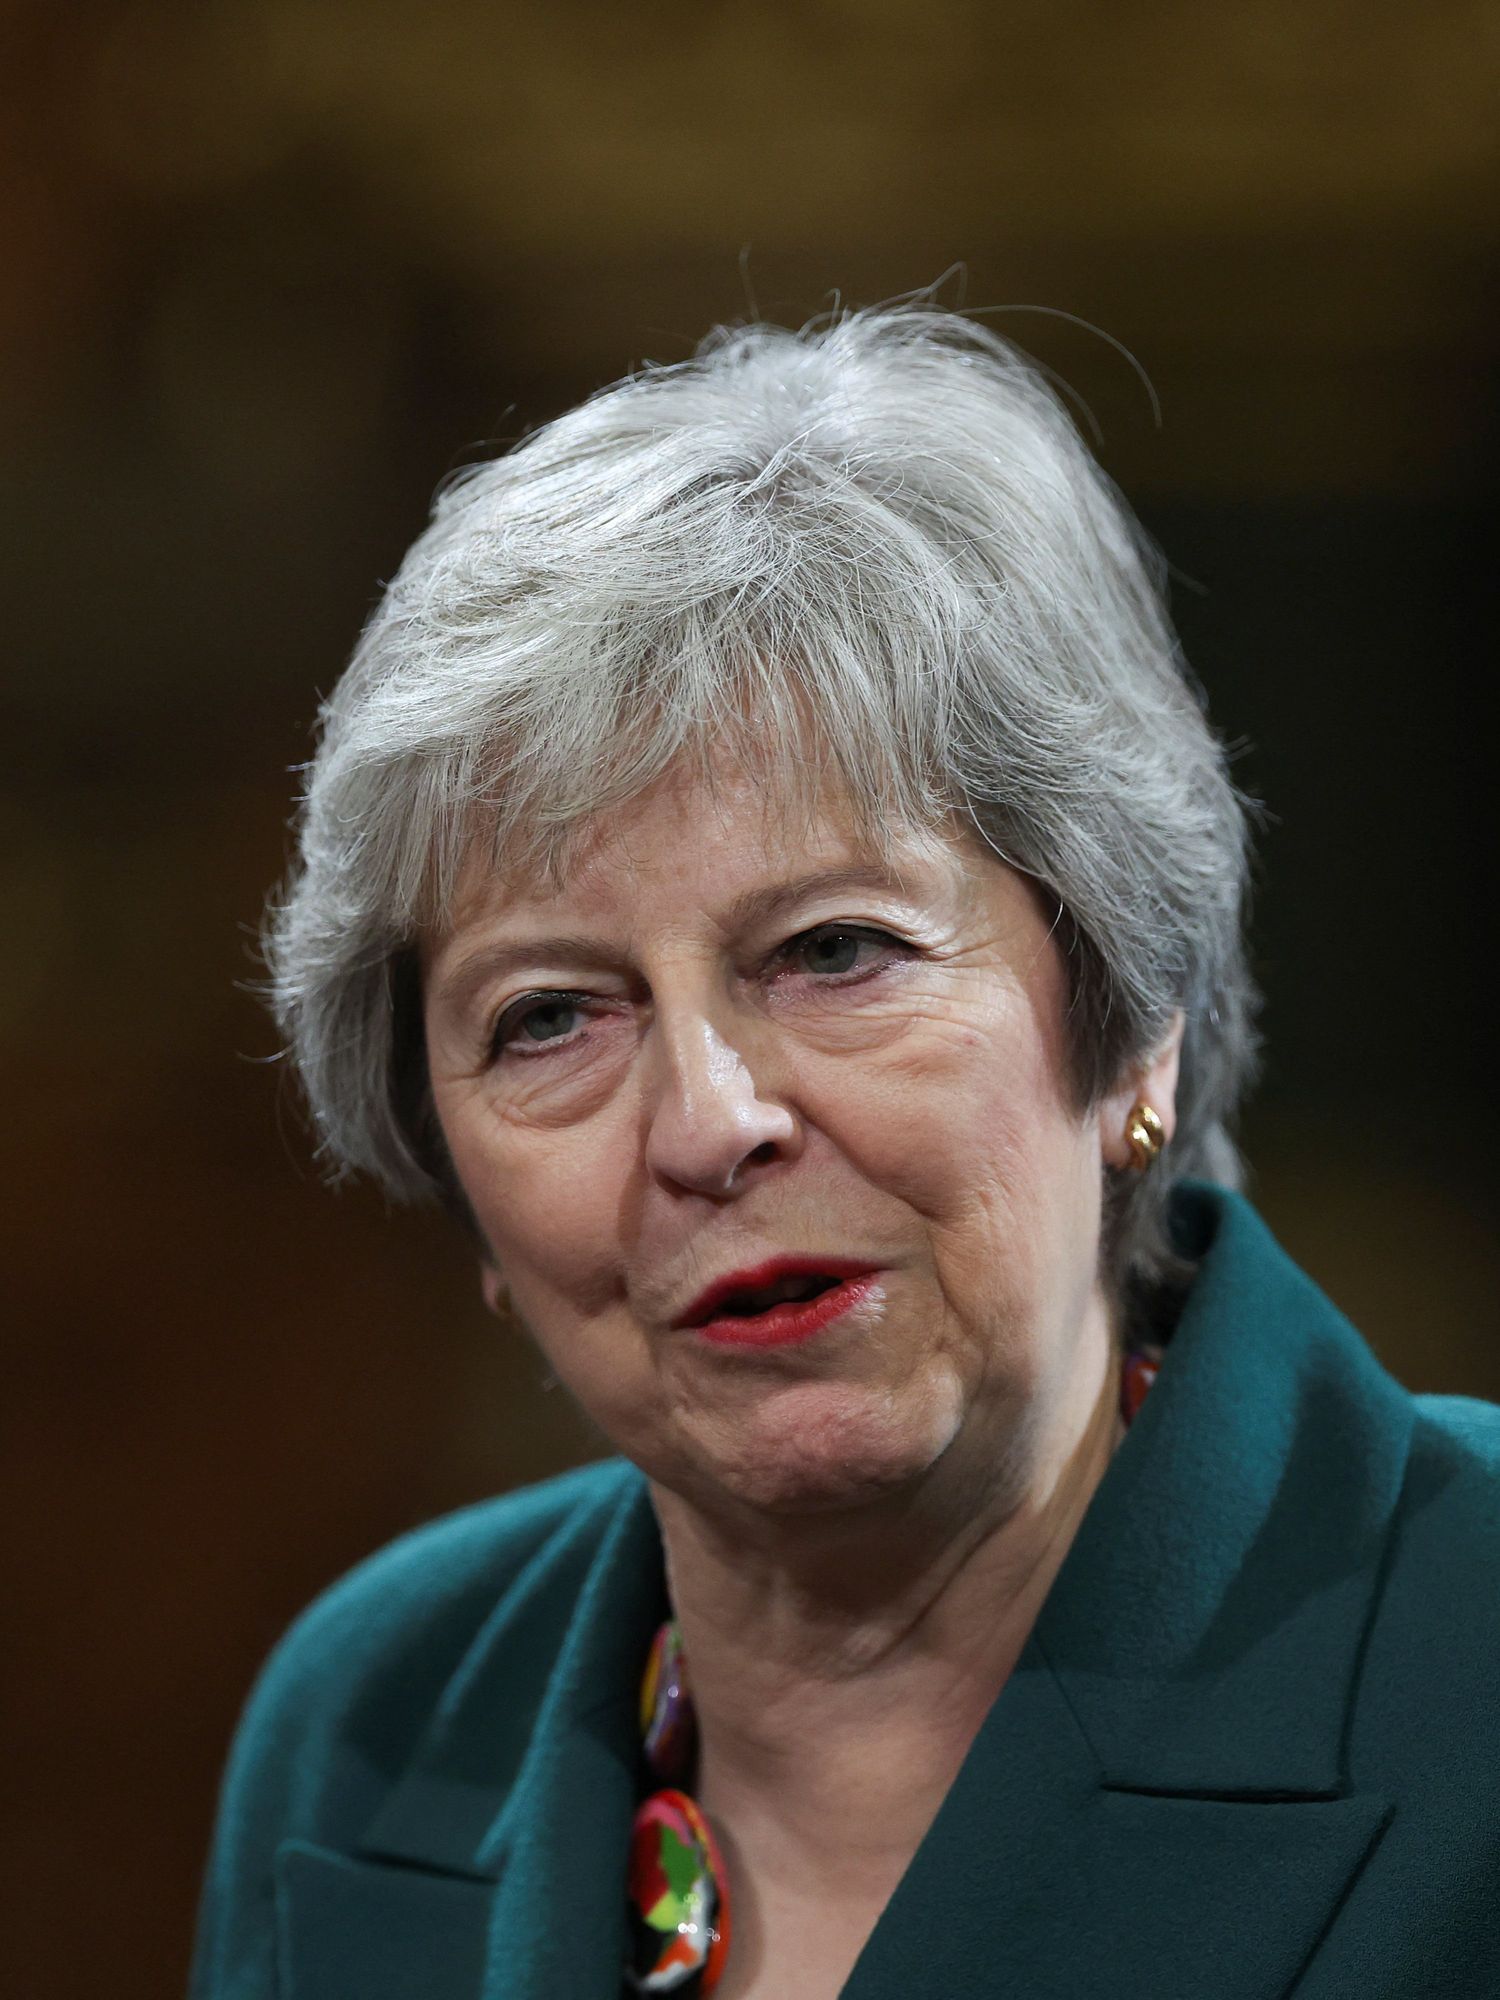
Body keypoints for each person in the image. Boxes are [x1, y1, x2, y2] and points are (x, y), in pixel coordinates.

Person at [190, 304, 1500, 2000]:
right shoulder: (366, 1731)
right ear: (464, 1195)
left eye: (834, 953)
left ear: (1130, 1023)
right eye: (548, 1021)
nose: (710, 1124)